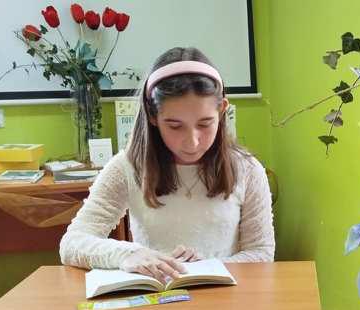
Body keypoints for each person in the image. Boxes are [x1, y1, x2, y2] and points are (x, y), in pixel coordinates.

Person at [60, 47, 274, 281]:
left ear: (222, 109)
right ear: (153, 116)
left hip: (227, 296)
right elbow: (72, 243)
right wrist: (128, 254)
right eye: (175, 126)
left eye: (205, 124)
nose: (192, 142)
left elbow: (261, 253)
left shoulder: (247, 169)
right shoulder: (127, 167)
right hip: (156, 298)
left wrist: (207, 267)